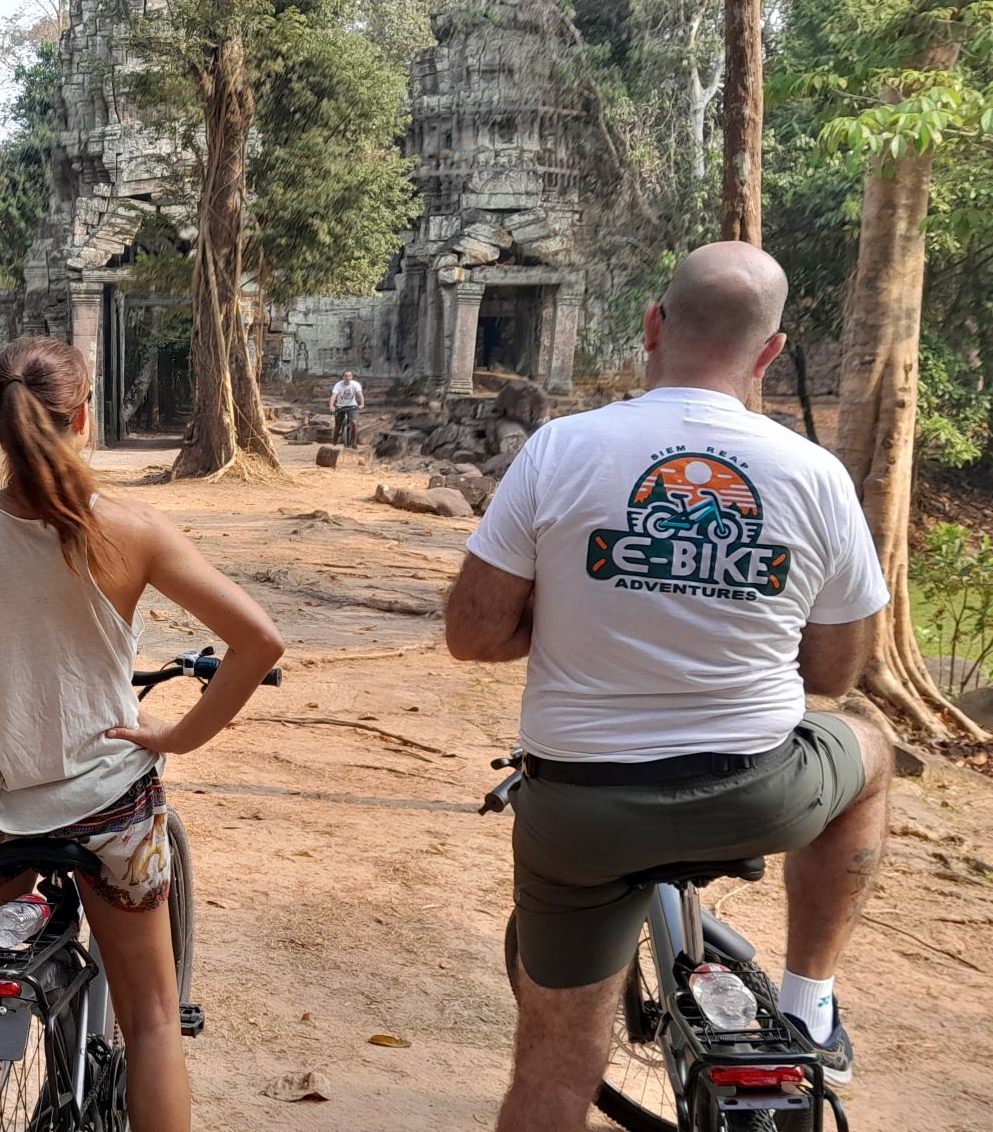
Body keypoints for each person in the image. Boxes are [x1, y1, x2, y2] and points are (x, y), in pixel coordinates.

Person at [444, 242, 893, 1132]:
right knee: (871, 750)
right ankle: (809, 999)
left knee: (555, 1064)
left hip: (582, 814)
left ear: (653, 324)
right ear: (769, 353)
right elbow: (835, 675)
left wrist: (578, 620)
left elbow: (473, 634)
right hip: (762, 790)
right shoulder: (817, 475)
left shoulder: (560, 450)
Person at [0, 336, 285, 1132]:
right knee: (151, 1020)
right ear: (84, 415)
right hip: (112, 807)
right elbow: (259, 642)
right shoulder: (136, 529)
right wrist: (179, 736)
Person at [330, 369, 364, 447]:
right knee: (338, 426)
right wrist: (331, 406)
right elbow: (334, 396)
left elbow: (360, 394)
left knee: (354, 423)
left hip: (352, 406)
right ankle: (334, 442)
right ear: (343, 377)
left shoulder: (355, 384)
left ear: (352, 377)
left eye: (349, 376)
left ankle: (354, 443)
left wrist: (362, 404)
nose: (347, 377)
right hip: (340, 406)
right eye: (346, 376)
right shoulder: (338, 385)